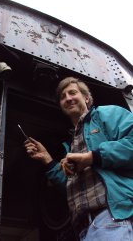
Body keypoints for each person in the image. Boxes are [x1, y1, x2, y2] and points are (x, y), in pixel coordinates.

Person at [24, 76, 133, 241]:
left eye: (72, 93)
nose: (67, 98)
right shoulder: (71, 142)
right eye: (62, 97)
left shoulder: (107, 114)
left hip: (112, 217)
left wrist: (93, 157)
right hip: (84, 227)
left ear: (87, 98)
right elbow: (71, 187)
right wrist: (47, 159)